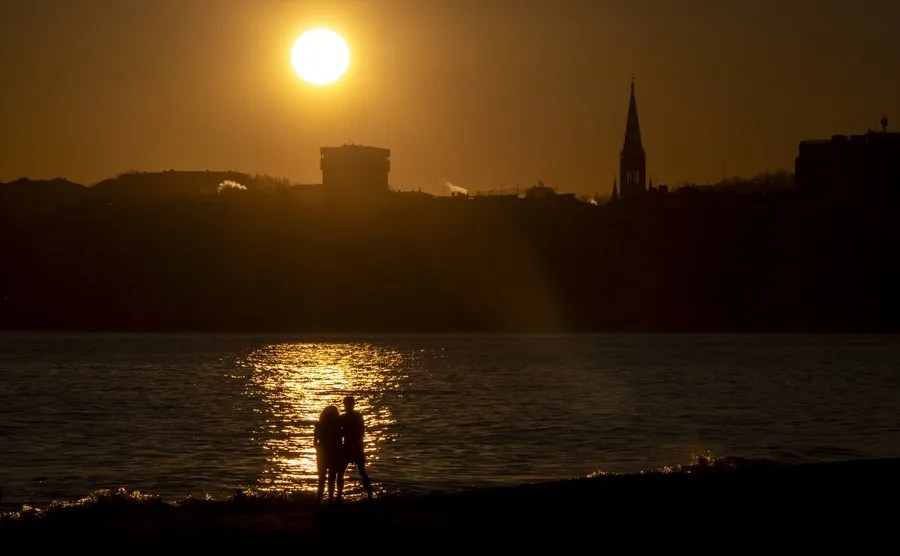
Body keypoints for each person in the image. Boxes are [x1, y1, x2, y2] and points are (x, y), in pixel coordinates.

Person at [336, 395, 373, 500]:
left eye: (346, 404)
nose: (345, 405)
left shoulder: (346, 417)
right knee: (360, 471)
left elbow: (340, 433)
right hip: (355, 447)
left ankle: (339, 495)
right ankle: (369, 494)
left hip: (351, 447)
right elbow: (360, 432)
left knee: (343, 472)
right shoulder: (357, 416)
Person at [313, 404, 342, 503]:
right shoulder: (338, 427)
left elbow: (315, 443)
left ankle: (320, 498)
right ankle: (329, 499)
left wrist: (320, 449)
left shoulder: (319, 426)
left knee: (323, 478)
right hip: (332, 454)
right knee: (331, 478)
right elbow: (339, 442)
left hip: (324, 454)